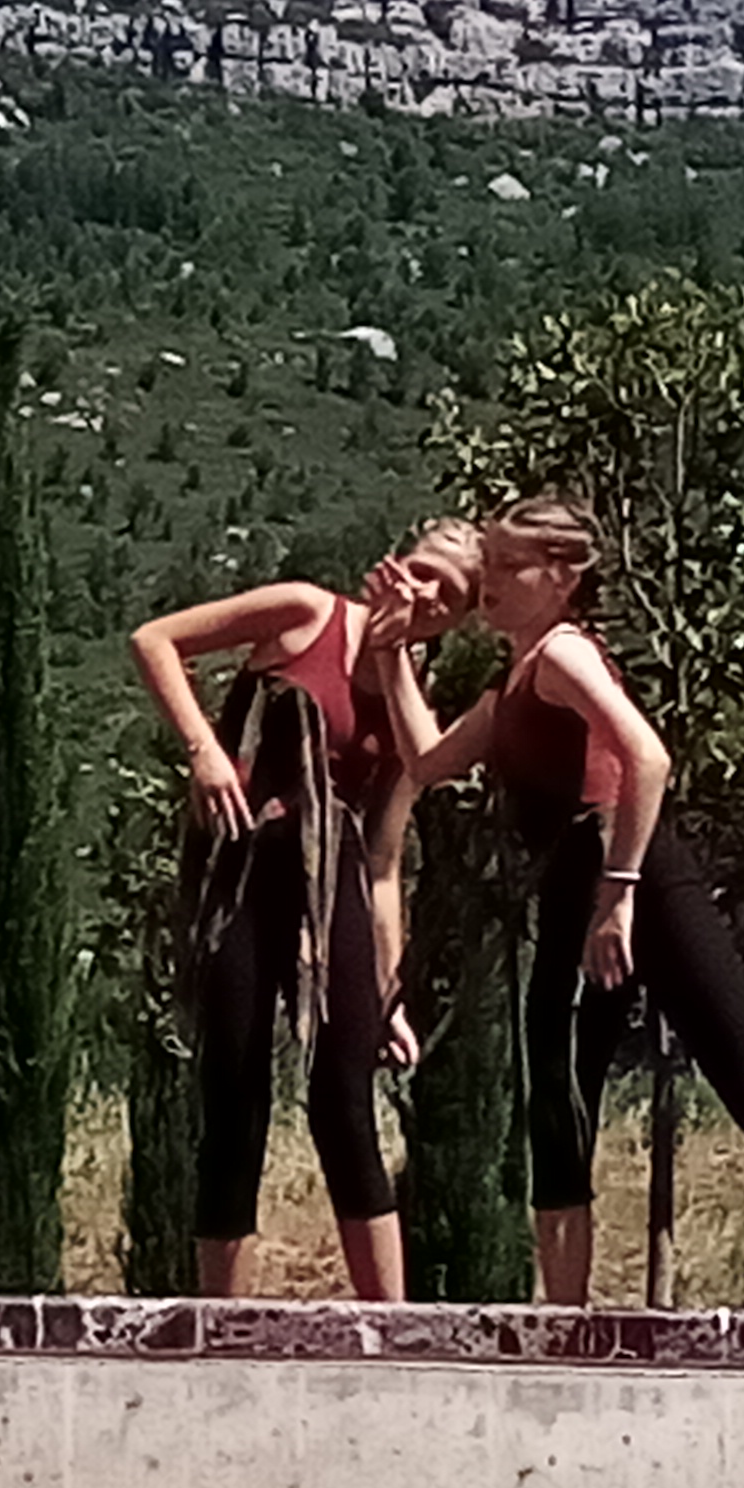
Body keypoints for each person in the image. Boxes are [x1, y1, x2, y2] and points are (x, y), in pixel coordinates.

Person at [390, 494, 744, 1312]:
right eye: (487, 565)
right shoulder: (515, 683)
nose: (489, 582)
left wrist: (620, 897)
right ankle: (564, 1315)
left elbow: (648, 758)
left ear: (562, 578)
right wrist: (393, 648)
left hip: (633, 889)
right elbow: (426, 761)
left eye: (508, 566)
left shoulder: (565, 657)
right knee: (560, 1106)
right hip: (577, 905)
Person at [127, 525, 480, 1299]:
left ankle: (392, 1328)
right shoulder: (304, 611)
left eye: (447, 595)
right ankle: (221, 1324)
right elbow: (155, 639)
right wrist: (204, 749)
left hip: (335, 892)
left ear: (456, 621)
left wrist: (388, 991)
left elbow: (385, 858)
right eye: (421, 572)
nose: (424, 594)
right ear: (390, 562)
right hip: (248, 870)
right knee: (234, 1096)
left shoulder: (411, 705)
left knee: (343, 1100)